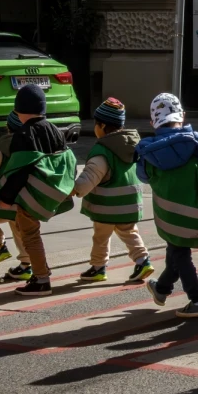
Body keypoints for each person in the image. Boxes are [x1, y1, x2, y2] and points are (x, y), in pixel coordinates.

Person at [139, 93, 198, 317]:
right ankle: (162, 287)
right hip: (195, 210)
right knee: (176, 250)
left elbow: (143, 176)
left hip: (167, 214)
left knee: (179, 252)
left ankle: (197, 299)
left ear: (152, 122)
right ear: (183, 116)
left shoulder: (149, 150)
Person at [0, 85, 76, 296]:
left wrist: (5, 198)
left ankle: (41, 280)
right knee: (32, 235)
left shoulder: (24, 134)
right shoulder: (53, 129)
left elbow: (20, 171)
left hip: (30, 196)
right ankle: (38, 274)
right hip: (51, 192)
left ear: (18, 110)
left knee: (30, 236)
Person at [72, 98, 152, 283]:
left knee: (101, 237)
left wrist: (75, 189)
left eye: (95, 124)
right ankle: (143, 260)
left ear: (101, 125)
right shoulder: (131, 145)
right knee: (130, 233)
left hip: (106, 207)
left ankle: (98, 267)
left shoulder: (103, 151)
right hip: (131, 204)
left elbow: (89, 178)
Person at [0, 113, 32, 280]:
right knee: (20, 229)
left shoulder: (1, 147)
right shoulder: (33, 145)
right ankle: (26, 266)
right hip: (25, 200)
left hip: (3, 201)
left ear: (8, 128)